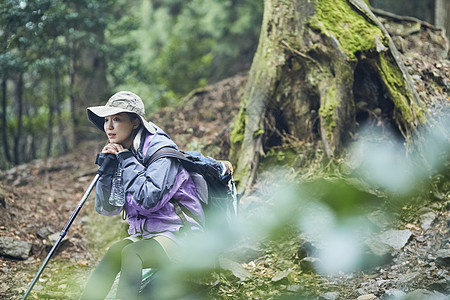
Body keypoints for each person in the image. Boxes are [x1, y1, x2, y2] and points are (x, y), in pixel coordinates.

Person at [81, 91, 205, 300]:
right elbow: (107, 208)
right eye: (106, 120)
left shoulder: (161, 153)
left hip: (184, 234)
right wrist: (108, 167)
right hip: (151, 235)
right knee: (115, 252)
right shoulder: (124, 151)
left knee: (132, 253)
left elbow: (150, 199)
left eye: (117, 119)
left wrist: (126, 159)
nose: (109, 127)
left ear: (135, 123)